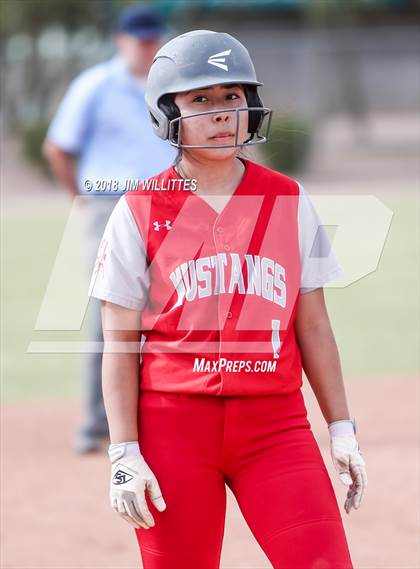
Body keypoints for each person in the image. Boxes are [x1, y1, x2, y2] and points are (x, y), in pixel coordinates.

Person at [88, 30, 367, 569]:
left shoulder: (287, 198)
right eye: (201, 100)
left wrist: (341, 427)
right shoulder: (139, 209)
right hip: (173, 428)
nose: (221, 113)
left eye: (232, 97)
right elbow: (119, 343)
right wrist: (124, 451)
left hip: (276, 426)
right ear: (166, 112)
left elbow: (313, 326)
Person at [43, 5, 177, 453]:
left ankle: (167, 415)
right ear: (121, 40)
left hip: (171, 206)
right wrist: (81, 199)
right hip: (110, 204)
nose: (148, 47)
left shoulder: (172, 86)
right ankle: (97, 423)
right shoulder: (95, 86)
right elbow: (59, 147)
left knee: (175, 311)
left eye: (154, 39)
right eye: (140, 40)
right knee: (113, 315)